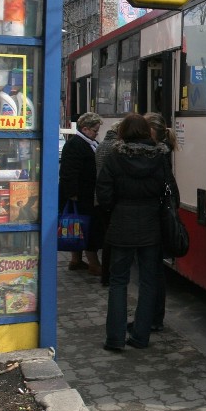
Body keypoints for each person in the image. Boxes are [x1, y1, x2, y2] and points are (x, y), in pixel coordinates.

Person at [96, 113, 169, 351]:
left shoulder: (115, 157)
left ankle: (115, 339)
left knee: (118, 282)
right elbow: (169, 192)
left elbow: (104, 192)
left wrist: (114, 209)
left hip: (121, 224)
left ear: (123, 132)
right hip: (151, 225)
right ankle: (141, 337)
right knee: (149, 282)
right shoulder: (160, 158)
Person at [143, 112, 179, 332]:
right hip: (160, 216)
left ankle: (153, 319)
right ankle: (153, 318)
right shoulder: (162, 153)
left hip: (155, 219)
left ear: (151, 132)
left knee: (153, 272)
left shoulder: (156, 156)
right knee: (155, 271)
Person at [59, 112, 104, 275]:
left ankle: (76, 259)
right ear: (85, 129)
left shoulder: (87, 142)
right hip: (81, 195)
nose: (96, 133)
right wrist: (73, 194)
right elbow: (69, 172)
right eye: (95, 130)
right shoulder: (76, 145)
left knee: (77, 226)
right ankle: (94, 263)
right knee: (87, 227)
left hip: (83, 193)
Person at [94, 120, 121, 287]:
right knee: (112, 240)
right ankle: (109, 275)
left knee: (107, 238)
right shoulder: (115, 148)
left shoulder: (101, 144)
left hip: (101, 197)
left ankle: (106, 275)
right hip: (111, 198)